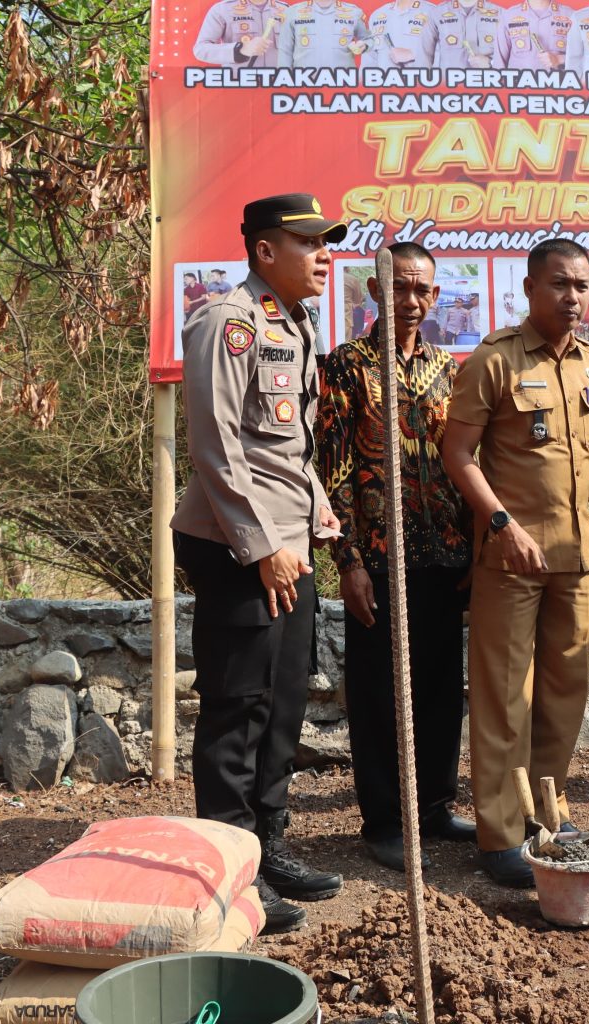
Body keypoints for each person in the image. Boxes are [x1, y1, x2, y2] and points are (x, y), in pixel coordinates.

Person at [172, 193, 347, 933]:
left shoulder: (294, 323)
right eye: (310, 244)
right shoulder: (226, 321)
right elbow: (215, 447)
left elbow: (285, 447)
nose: (325, 256)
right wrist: (263, 547)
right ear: (266, 251)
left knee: (283, 705)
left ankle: (268, 848)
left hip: (288, 541)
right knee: (237, 708)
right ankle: (227, 872)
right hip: (236, 544)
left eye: (328, 243)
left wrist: (315, 507)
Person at [440, 238, 589, 887]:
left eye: (582, 285)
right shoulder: (493, 362)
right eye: (559, 284)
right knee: (504, 696)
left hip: (578, 558)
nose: (572, 297)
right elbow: (457, 453)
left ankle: (546, 816)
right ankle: (499, 833)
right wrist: (500, 524)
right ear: (529, 288)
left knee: (564, 694)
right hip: (510, 559)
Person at [314, 243, 475, 873]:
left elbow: (465, 462)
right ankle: (383, 819)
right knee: (380, 694)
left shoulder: (449, 369)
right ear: (376, 293)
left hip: (442, 555)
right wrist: (347, 561)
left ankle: (433, 805)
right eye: (399, 288)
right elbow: (333, 471)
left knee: (439, 688)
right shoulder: (348, 367)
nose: (411, 300)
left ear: (435, 297)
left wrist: (473, 549)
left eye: (422, 290)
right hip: (377, 559)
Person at [194, 0, 287, 66]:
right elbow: (201, 49)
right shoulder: (222, 9)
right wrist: (240, 49)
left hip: (278, 84)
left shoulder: (286, 10)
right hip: (239, 84)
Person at [278, 0, 371, 66]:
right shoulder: (292, 12)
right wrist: (283, 82)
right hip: (304, 83)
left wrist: (365, 45)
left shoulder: (354, 12)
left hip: (343, 83)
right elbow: (285, 51)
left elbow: (370, 39)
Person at [357, 0, 437, 67]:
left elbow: (443, 59)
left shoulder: (433, 12)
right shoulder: (377, 15)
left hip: (420, 83)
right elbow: (368, 63)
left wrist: (411, 55)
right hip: (383, 84)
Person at [495, 0, 574, 68]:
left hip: (558, 83)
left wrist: (559, 59)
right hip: (518, 83)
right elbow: (498, 61)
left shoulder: (571, 15)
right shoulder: (508, 15)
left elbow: (582, 58)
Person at [429, 0, 504, 68]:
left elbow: (511, 56)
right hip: (449, 81)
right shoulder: (436, 13)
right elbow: (424, 56)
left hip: (487, 80)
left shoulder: (501, 13)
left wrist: (491, 63)